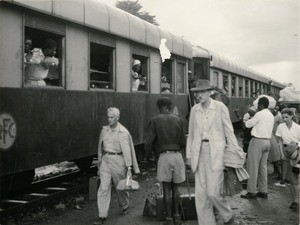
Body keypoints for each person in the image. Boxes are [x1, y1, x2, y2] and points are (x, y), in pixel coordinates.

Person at [186, 79, 238, 225]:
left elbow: (229, 130)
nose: (199, 95)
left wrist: (233, 150)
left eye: (202, 92)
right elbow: (191, 134)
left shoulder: (220, 107)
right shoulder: (194, 109)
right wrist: (189, 156)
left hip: (217, 153)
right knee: (201, 195)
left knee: (213, 192)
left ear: (210, 92)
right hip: (199, 152)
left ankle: (228, 215)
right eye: (197, 92)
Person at [95, 107, 140, 225]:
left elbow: (127, 151)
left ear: (117, 118)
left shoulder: (123, 132)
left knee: (120, 186)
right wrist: (99, 163)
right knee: (103, 188)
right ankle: (102, 216)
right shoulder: (104, 131)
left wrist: (129, 168)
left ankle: (125, 205)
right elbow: (100, 148)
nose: (109, 120)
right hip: (106, 160)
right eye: (108, 117)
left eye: (112, 117)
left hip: (118, 161)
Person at [145, 97, 186, 225]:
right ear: (170, 107)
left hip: (164, 157)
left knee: (166, 189)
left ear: (161, 107)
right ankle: (177, 216)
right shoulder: (179, 120)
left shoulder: (155, 120)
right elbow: (184, 141)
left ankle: (168, 219)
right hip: (177, 156)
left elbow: (148, 142)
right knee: (177, 189)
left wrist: (149, 156)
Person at [241, 97, 274, 199]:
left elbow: (247, 125)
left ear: (261, 104)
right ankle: (263, 191)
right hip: (267, 142)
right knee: (262, 167)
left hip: (258, 141)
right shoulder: (271, 115)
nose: (257, 107)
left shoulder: (259, 114)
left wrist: (245, 120)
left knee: (252, 166)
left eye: (258, 105)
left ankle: (251, 191)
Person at [275, 108, 300, 211]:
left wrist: (296, 149)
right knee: (291, 178)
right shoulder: (281, 127)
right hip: (286, 152)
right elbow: (280, 140)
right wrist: (281, 153)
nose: (285, 119)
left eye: (287, 117)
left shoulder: (298, 128)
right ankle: (294, 200)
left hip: (297, 152)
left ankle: (296, 200)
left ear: (292, 116)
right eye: (283, 117)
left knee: (296, 176)